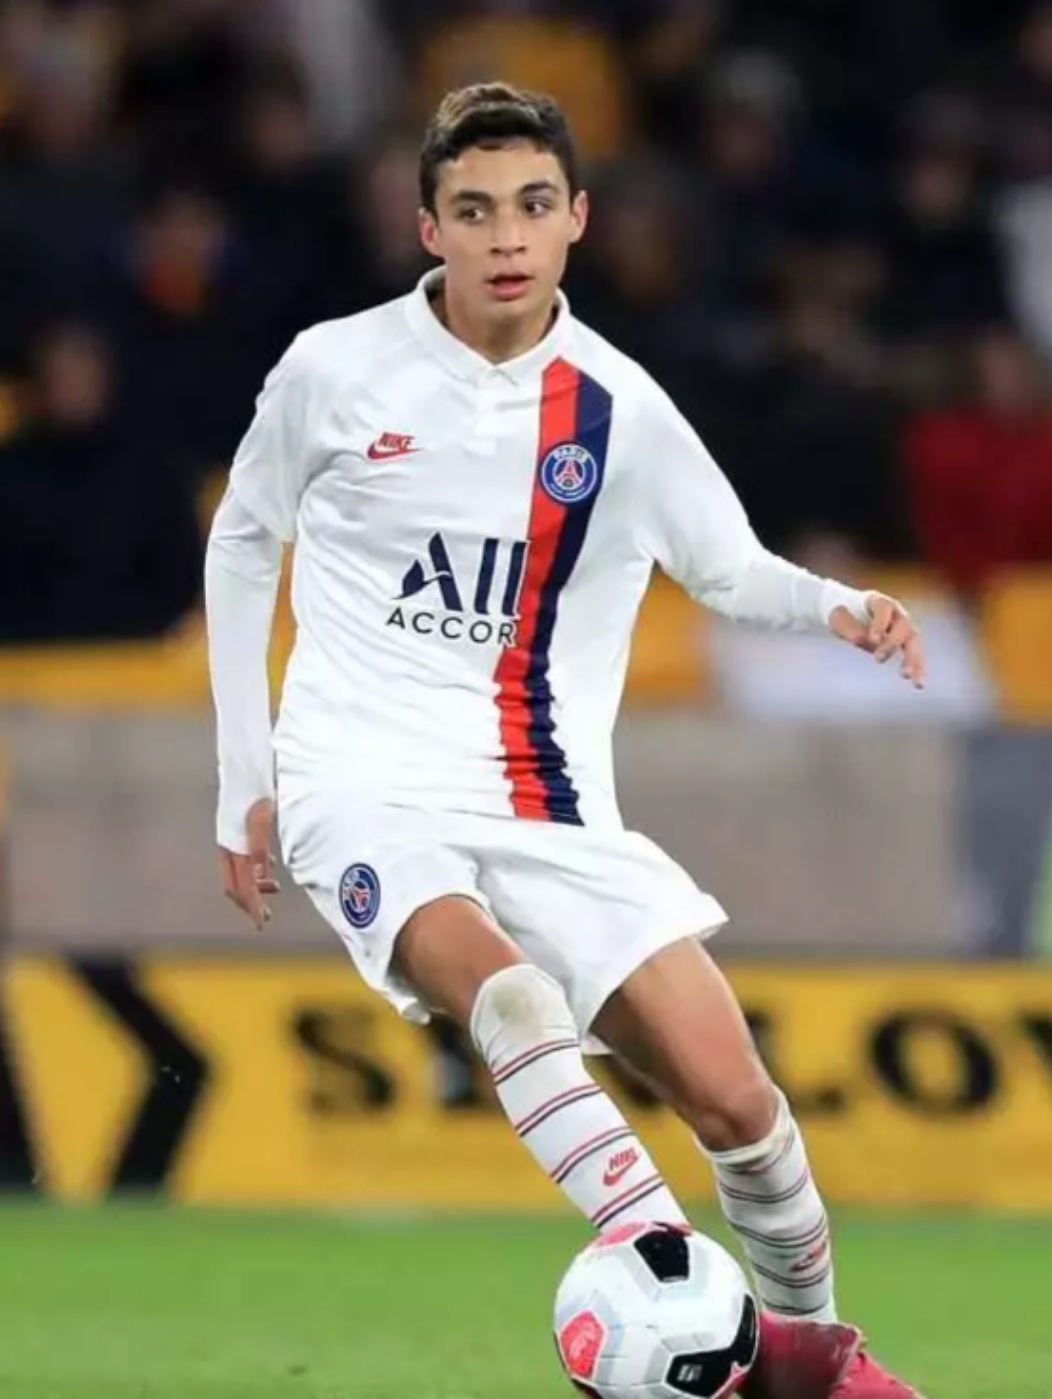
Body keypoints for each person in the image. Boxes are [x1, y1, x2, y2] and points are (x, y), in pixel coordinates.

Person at [204, 83, 927, 1399]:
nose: (506, 236)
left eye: (533, 205)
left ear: (578, 218)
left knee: (743, 1110)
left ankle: (813, 1362)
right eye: (475, 210)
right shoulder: (333, 370)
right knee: (512, 998)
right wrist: (242, 779)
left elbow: (725, 566)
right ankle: (674, 1280)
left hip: (548, 803)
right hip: (357, 783)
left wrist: (840, 605)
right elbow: (245, 539)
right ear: (430, 227)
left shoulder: (617, 409)